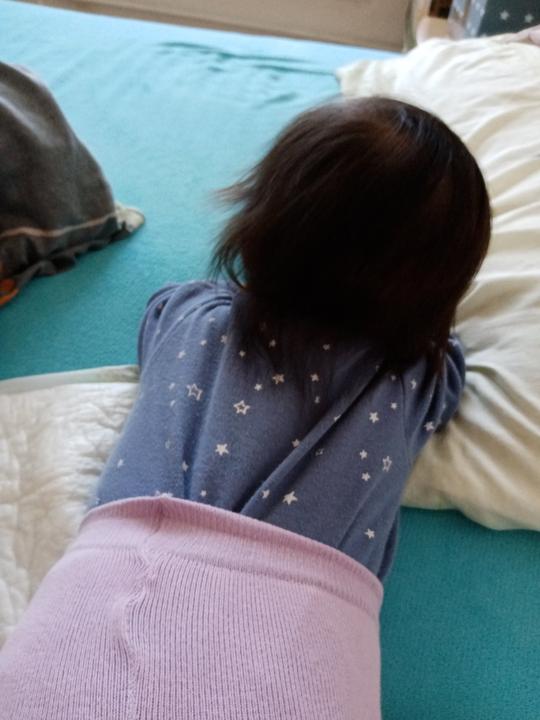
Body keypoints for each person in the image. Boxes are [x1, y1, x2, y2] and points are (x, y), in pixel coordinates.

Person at [0, 96, 491, 719]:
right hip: (303, 646)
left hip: (103, 598)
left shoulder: (193, 316)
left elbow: (155, 320)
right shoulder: (415, 374)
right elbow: (450, 374)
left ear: (257, 225)